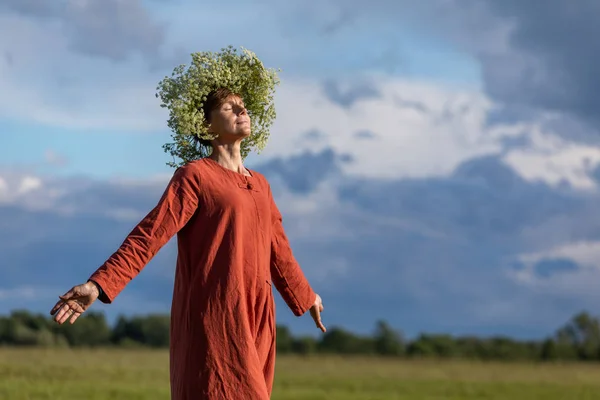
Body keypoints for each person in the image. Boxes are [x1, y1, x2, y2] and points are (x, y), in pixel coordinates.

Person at [49, 87, 325, 399]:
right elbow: (150, 235)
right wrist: (99, 285)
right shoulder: (195, 176)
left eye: (243, 106)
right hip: (218, 316)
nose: (241, 111)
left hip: (259, 318)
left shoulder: (261, 185)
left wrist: (307, 295)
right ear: (207, 126)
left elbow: (279, 251)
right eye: (229, 108)